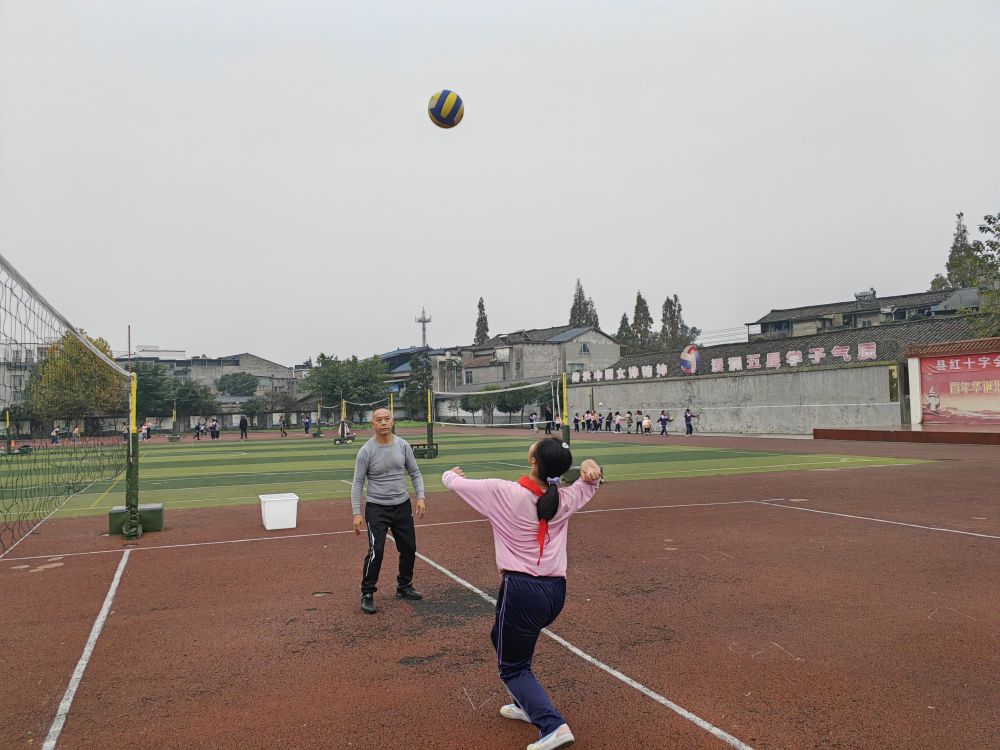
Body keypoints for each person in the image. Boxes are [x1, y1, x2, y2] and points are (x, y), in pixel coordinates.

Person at [441, 439, 602, 750]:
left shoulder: (504, 491)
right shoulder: (566, 498)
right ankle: (524, 703)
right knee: (499, 639)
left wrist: (451, 472)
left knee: (512, 667)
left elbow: (452, 482)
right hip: (555, 591)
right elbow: (591, 480)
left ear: (533, 463)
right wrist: (590, 465)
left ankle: (551, 725)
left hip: (522, 590)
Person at [352, 407, 427, 614]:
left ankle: (404, 586)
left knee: (409, 548)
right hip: (377, 508)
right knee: (376, 551)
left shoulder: (403, 446)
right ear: (372, 424)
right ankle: (367, 592)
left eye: (387, 419)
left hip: (401, 506)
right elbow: (358, 482)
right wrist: (356, 512)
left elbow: (415, 472)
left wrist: (420, 497)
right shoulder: (366, 451)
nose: (383, 423)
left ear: (392, 421)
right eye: (379, 420)